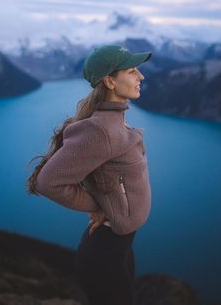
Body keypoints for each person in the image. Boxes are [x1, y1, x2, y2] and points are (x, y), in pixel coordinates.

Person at [27, 44, 152, 305]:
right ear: (109, 81)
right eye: (131, 71)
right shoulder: (100, 130)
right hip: (104, 256)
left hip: (120, 247)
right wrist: (99, 203)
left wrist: (106, 203)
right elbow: (48, 182)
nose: (141, 76)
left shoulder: (114, 121)